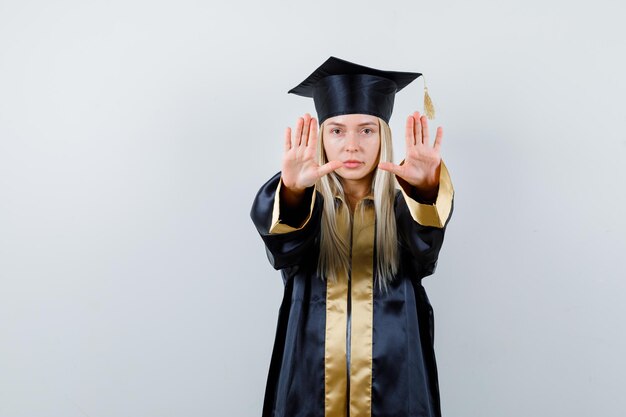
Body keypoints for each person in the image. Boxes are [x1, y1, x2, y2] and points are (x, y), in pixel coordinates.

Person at [250, 57, 454, 417]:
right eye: (337, 131)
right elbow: (284, 252)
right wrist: (295, 194)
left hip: (395, 377)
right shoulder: (306, 205)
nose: (352, 146)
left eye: (366, 130)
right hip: (309, 376)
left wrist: (424, 191)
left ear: (384, 136)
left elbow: (426, 257)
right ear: (321, 138)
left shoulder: (402, 206)